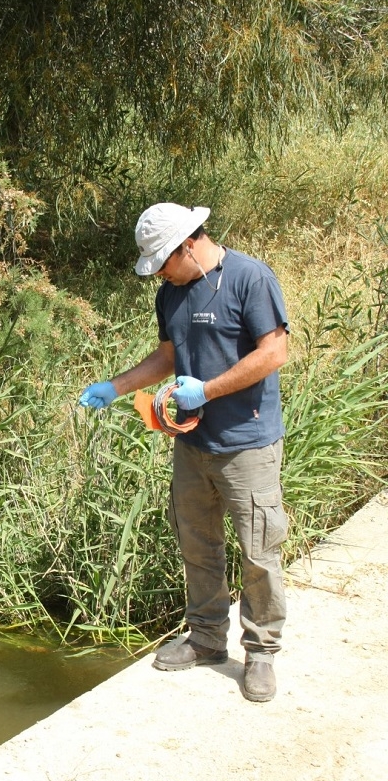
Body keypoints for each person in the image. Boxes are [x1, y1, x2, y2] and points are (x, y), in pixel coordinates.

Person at [79, 203, 289, 702]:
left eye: (163, 262)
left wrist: (208, 391)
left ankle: (260, 652)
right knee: (198, 544)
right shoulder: (171, 292)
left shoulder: (250, 279)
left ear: (189, 244)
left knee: (259, 549)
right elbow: (170, 355)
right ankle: (206, 639)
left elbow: (273, 352)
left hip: (246, 444)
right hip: (191, 445)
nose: (160, 274)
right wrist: (116, 384)